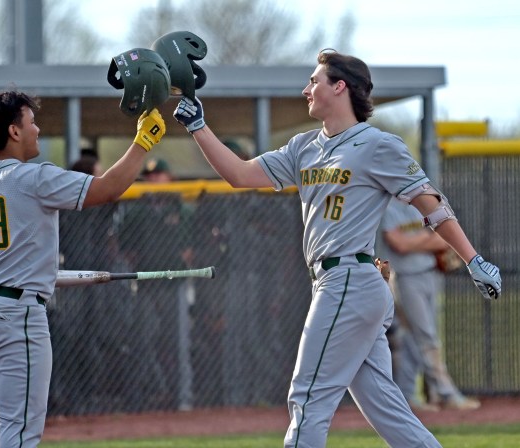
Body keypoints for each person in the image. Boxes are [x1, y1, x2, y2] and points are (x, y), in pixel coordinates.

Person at [173, 49, 501, 447]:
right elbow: (240, 175)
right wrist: (198, 126)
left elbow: (432, 204)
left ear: (340, 86)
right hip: (338, 284)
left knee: (307, 398)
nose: (305, 89)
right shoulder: (303, 147)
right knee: (387, 408)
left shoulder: (378, 144)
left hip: (351, 280)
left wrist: (474, 260)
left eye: (314, 81)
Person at [0, 90, 166, 447]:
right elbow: (108, 189)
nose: (37, 129)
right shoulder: (35, 178)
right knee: (18, 430)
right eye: (31, 122)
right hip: (16, 314)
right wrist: (143, 141)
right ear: (13, 131)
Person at [377, 197, 480, 411]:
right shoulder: (386, 205)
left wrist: (417, 241)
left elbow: (444, 240)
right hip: (404, 277)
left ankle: (407, 396)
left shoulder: (419, 204)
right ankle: (446, 393)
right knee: (425, 336)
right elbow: (400, 244)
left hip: (430, 273)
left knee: (413, 338)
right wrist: (425, 240)